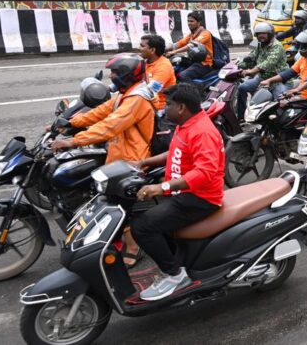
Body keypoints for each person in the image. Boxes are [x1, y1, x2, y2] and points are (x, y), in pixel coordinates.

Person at [52, 53, 157, 268]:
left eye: (115, 72)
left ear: (127, 75)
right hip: (118, 154)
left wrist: (73, 141)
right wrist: (71, 122)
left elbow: (110, 125)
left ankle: (134, 248)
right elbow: (101, 112)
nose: (111, 76)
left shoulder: (136, 99)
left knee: (121, 204)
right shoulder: (124, 94)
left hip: (133, 159)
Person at [130, 84, 224, 301]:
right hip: (182, 193)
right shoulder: (186, 124)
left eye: (169, 104)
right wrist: (142, 163)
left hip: (200, 198)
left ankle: (175, 275)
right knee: (153, 220)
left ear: (181, 107)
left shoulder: (202, 132)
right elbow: (174, 152)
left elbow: (205, 172)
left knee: (142, 227)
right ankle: (177, 262)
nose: (165, 109)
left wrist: (161, 187)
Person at [260, 29, 307, 115]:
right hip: (304, 96)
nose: (302, 48)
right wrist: (269, 80)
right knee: (280, 112)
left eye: (305, 45)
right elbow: (289, 73)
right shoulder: (304, 57)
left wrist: (297, 89)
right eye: (301, 45)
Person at [236, 22, 287, 120]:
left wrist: (251, 71)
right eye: (259, 34)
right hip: (262, 78)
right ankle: (241, 117)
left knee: (279, 101)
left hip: (277, 79)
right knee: (242, 88)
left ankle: (277, 123)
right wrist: (238, 66)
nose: (261, 36)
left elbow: (269, 62)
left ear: (270, 34)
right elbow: (252, 57)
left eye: (264, 33)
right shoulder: (260, 45)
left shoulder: (277, 46)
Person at [167, 11, 214, 82]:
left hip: (204, 64)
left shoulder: (205, 34)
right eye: (188, 21)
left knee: (183, 75)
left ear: (198, 22)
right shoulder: (191, 35)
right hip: (193, 61)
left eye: (192, 21)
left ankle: (190, 89)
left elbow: (191, 46)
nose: (189, 23)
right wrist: (163, 48)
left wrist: (173, 52)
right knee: (174, 64)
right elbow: (178, 44)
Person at [139, 34, 176, 110]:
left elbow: (150, 91)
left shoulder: (164, 66)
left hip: (158, 107)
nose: (139, 48)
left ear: (152, 50)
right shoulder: (144, 62)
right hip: (144, 102)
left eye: (142, 46)